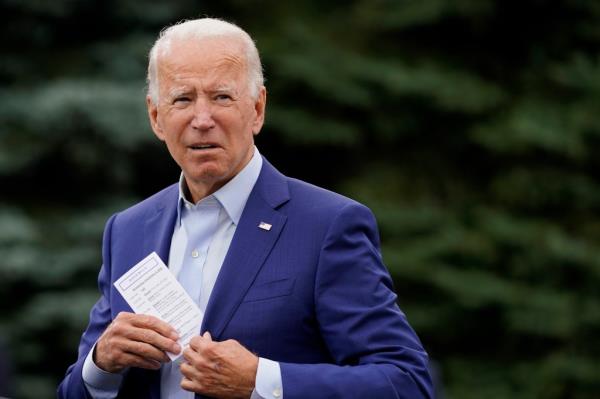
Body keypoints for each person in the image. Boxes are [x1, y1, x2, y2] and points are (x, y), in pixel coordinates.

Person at [57, 17, 434, 399]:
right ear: (156, 117)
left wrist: (262, 381)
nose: (202, 120)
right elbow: (72, 393)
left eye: (221, 97)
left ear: (257, 108)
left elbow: (405, 382)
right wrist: (100, 364)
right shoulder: (127, 230)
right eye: (183, 99)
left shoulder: (327, 225)